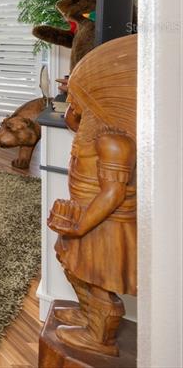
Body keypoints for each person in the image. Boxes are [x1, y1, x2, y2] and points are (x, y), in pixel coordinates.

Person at [46, 34, 137, 357]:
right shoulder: (93, 132)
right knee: (71, 259)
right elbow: (76, 125)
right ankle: (88, 312)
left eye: (74, 98)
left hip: (103, 223)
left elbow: (113, 190)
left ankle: (99, 331)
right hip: (84, 210)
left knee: (94, 269)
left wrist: (83, 223)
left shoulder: (113, 141)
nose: (71, 105)